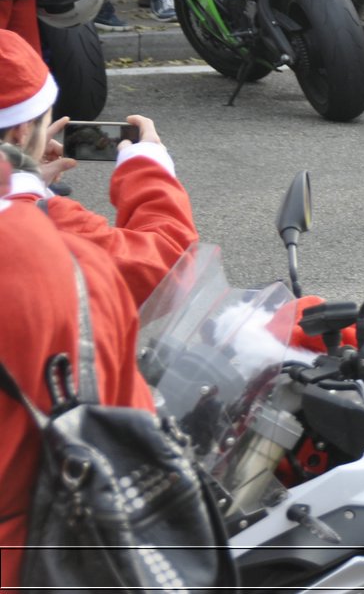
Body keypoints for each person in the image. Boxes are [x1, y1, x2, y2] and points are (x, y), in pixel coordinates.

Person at [0, 29, 198, 588]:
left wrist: (25, 178)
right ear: (20, 130)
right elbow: (164, 266)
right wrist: (149, 167)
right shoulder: (53, 239)